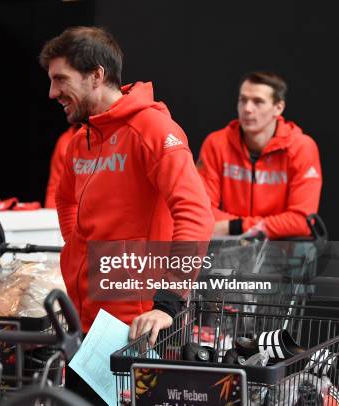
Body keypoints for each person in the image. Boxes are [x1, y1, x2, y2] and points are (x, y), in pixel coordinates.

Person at [39, 27, 214, 402]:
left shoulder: (151, 128)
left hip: (133, 331)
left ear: (97, 75)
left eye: (60, 80)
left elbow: (196, 213)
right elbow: (65, 199)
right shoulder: (80, 139)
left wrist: (169, 301)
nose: (52, 93)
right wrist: (79, 252)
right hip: (86, 323)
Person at [197, 71, 322, 239]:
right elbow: (201, 210)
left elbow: (301, 220)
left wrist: (236, 226)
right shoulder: (216, 143)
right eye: (243, 100)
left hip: (282, 253)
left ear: (278, 108)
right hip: (228, 251)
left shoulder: (302, 147)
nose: (247, 109)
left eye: (258, 102)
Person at [45, 124, 79, 208]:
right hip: (71, 212)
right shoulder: (64, 141)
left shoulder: (113, 137)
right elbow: (55, 186)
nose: (65, 109)